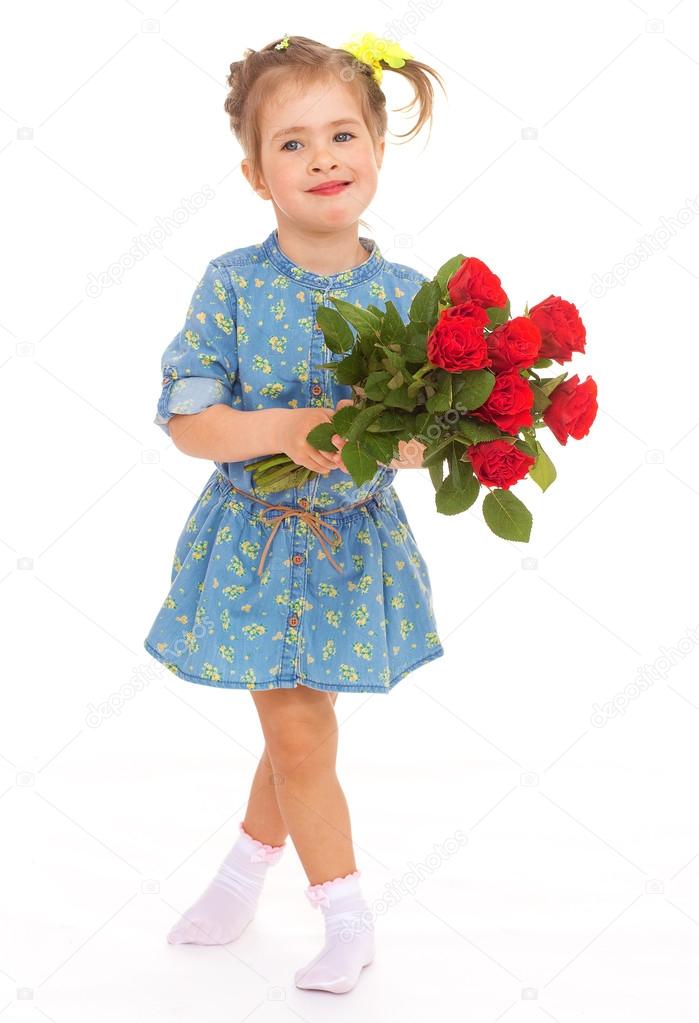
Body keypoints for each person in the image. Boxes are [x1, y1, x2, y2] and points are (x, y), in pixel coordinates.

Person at [144, 31, 447, 995]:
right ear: (253, 173)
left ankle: (239, 874)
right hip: (257, 547)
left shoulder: (406, 297)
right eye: (292, 143)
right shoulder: (233, 284)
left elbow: (418, 439)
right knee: (304, 732)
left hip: (353, 546)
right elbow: (189, 420)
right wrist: (282, 426)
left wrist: (416, 437)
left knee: (296, 732)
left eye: (343, 134)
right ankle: (346, 913)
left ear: (377, 150)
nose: (323, 158)